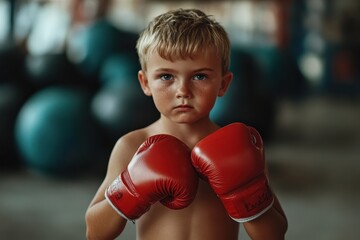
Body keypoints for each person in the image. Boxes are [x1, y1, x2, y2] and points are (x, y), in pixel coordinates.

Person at [85, 8, 287, 240]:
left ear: (223, 84)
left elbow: (274, 234)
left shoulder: (240, 149)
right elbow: (95, 233)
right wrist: (131, 188)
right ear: (145, 82)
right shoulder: (132, 146)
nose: (183, 91)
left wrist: (245, 193)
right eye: (166, 76)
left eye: (200, 76)